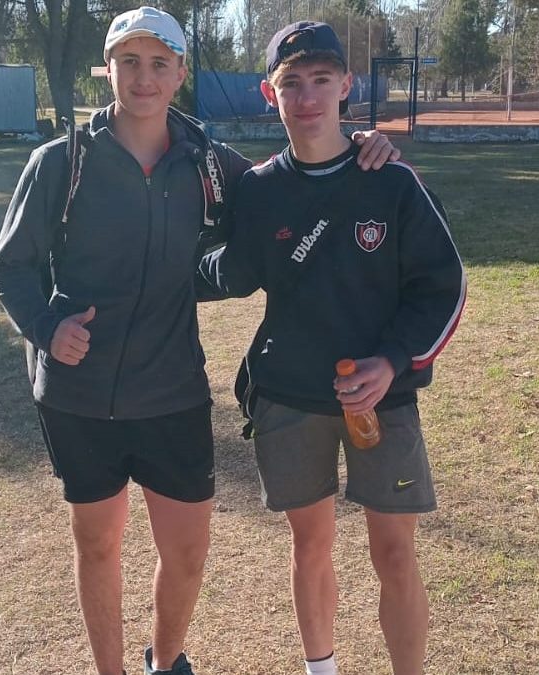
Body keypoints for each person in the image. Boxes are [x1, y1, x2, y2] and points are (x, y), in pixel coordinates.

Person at [0, 7, 399, 675]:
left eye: (159, 63)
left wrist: (361, 148)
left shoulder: (208, 161)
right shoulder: (62, 162)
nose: (143, 78)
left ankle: (166, 661)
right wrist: (45, 326)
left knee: (185, 554)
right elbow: (8, 267)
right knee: (98, 545)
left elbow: (286, 187)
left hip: (172, 390)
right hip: (78, 395)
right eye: (128, 62)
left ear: (180, 73)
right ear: (108, 69)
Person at [197, 21, 466, 675]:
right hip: (289, 396)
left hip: (383, 398)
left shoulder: (390, 180)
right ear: (270, 93)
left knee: (395, 553)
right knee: (309, 545)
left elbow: (443, 287)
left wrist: (392, 361)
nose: (308, 96)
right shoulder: (258, 188)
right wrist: (146, 269)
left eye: (322, 79)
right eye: (291, 83)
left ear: (347, 85)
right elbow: (228, 269)